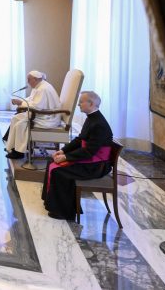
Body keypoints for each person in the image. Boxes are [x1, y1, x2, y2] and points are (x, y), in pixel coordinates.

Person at [42, 91, 113, 220]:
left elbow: (89, 151)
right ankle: (50, 203)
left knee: (59, 171)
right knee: (51, 162)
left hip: (96, 166)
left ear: (91, 104)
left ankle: (62, 211)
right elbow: (80, 140)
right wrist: (64, 151)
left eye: (81, 102)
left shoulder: (99, 124)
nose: (79, 104)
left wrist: (66, 157)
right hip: (91, 159)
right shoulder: (91, 118)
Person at [5, 70, 61, 159]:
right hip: (41, 115)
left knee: (20, 124)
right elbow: (31, 100)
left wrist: (21, 103)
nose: (28, 82)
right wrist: (20, 101)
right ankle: (12, 146)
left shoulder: (43, 89)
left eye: (29, 79)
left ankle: (19, 152)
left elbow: (36, 106)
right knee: (16, 118)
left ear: (35, 79)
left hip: (47, 118)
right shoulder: (39, 86)